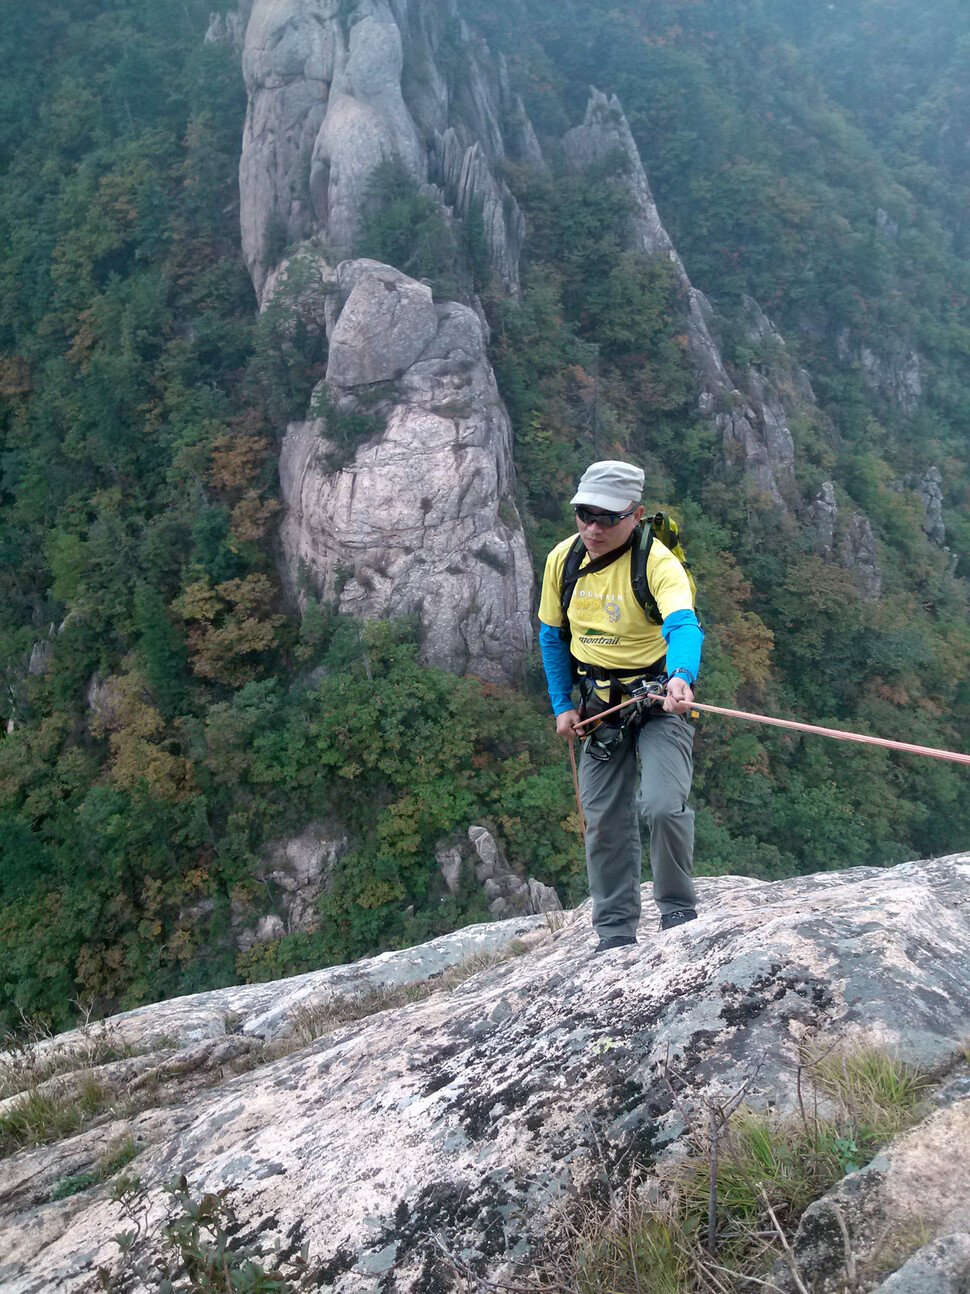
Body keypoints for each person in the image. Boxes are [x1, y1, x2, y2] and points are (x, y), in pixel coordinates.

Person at [538, 461, 704, 952]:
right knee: (603, 819)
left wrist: (681, 677)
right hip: (598, 706)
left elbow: (683, 626)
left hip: (657, 700)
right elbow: (552, 637)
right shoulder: (561, 561)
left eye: (607, 518)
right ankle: (614, 931)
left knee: (662, 803)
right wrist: (560, 704)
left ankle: (677, 909)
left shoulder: (657, 564)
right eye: (584, 514)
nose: (593, 527)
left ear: (637, 515)